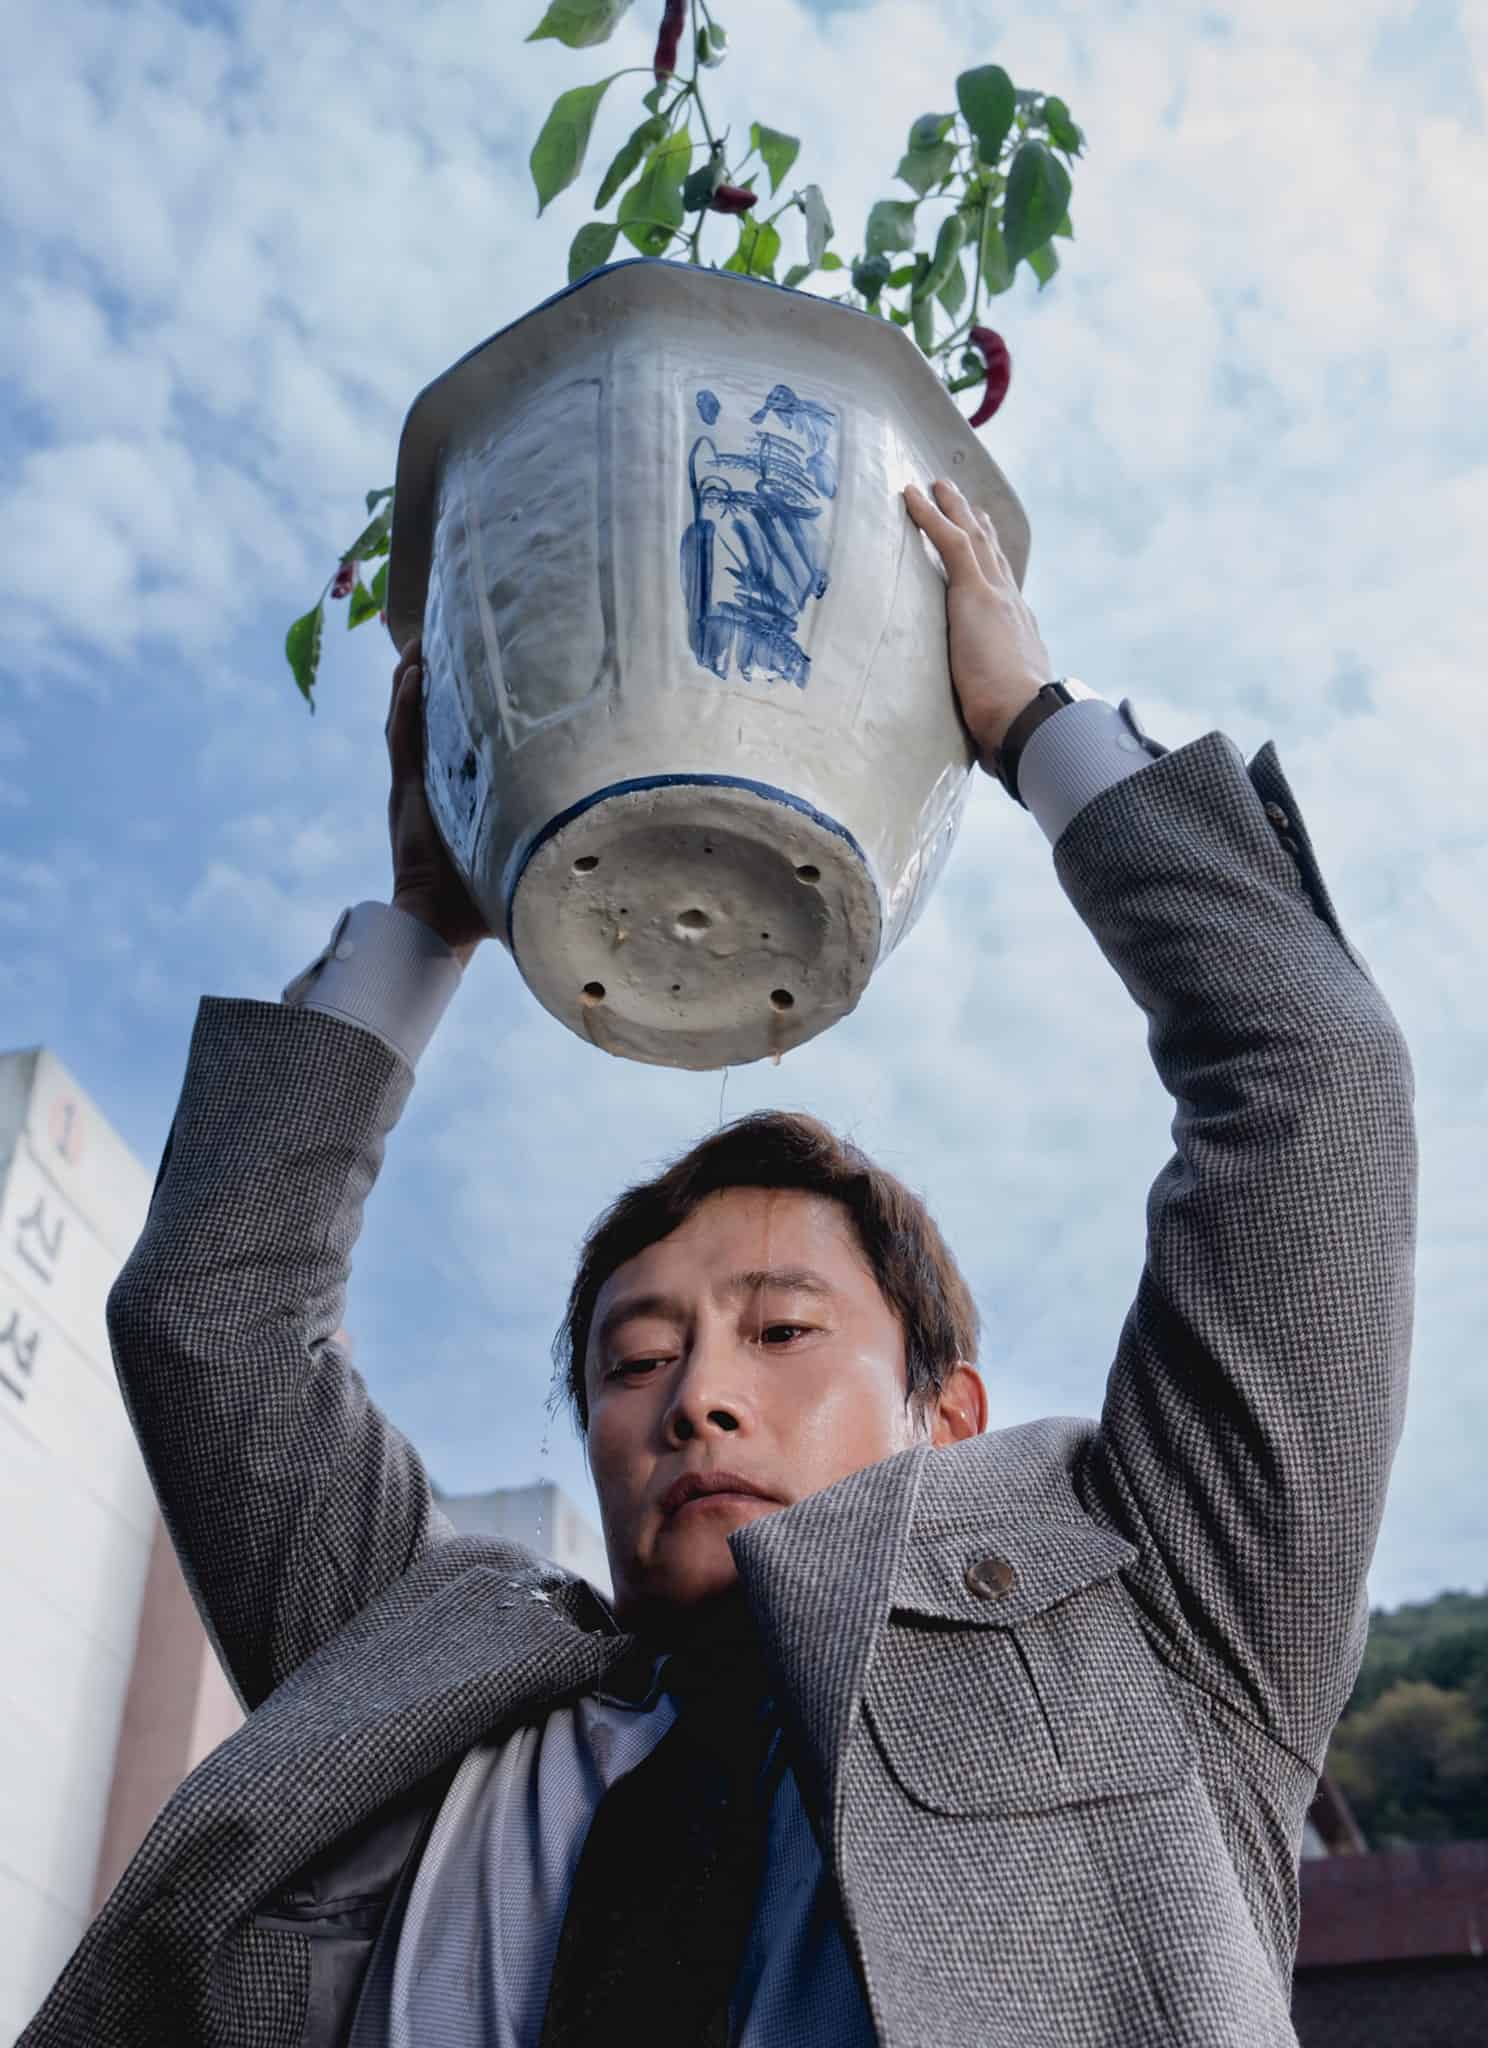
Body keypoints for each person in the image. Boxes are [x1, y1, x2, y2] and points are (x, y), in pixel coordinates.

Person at [21, 480, 1416, 2048]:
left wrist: (1031, 722)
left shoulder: (1168, 1618)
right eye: (634, 1360)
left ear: (940, 1417)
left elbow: (1315, 1085)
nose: (697, 1400)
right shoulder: (412, 1674)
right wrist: (426, 915)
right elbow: (213, 1316)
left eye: (784, 1333)